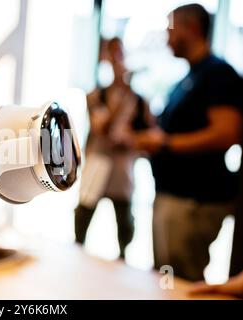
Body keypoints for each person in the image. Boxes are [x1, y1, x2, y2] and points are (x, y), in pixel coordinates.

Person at [134, 4, 243, 281]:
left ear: (191, 28)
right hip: (173, 198)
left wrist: (167, 143)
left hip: (193, 202)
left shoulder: (218, 74)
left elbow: (227, 133)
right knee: (166, 280)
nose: (166, 36)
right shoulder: (187, 78)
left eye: (171, 28)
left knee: (181, 282)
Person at [75, 37, 153, 258]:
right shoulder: (96, 96)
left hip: (123, 170)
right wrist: (123, 97)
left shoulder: (140, 101)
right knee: (82, 219)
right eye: (113, 54)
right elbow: (103, 128)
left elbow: (148, 134)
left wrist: (133, 140)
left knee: (125, 226)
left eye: (121, 54)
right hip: (97, 165)